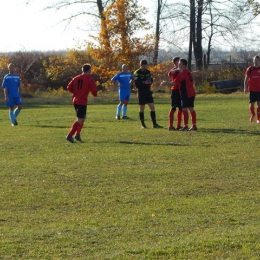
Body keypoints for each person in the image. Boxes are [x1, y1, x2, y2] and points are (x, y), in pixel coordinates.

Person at [161, 58, 197, 131]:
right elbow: (170, 73)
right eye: (178, 63)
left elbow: (175, 83)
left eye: (180, 64)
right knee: (190, 108)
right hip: (191, 92)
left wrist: (166, 83)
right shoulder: (187, 71)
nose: (178, 65)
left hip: (185, 93)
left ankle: (185, 126)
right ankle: (194, 125)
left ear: (184, 65)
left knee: (184, 108)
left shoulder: (181, 73)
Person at [66, 63, 98, 143]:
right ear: (89, 70)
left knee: (83, 117)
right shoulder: (89, 79)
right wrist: (95, 94)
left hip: (75, 100)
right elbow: (94, 90)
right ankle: (70, 135)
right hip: (82, 101)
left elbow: (68, 87)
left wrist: (76, 93)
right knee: (80, 119)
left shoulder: (76, 78)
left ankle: (77, 134)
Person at [133, 59, 162, 129]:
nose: (144, 67)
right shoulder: (137, 72)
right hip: (141, 92)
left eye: (146, 66)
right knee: (142, 108)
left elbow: (151, 80)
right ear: (140, 66)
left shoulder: (148, 72)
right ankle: (143, 124)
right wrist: (144, 82)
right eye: (143, 66)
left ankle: (155, 124)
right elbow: (137, 84)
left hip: (148, 91)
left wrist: (150, 82)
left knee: (152, 106)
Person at [167, 56, 183, 130]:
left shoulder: (181, 70)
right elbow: (170, 73)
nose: (180, 63)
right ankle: (170, 125)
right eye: (179, 61)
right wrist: (176, 70)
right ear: (176, 62)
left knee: (181, 108)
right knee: (173, 108)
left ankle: (178, 125)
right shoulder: (174, 70)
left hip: (181, 91)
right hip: (175, 91)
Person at [244, 55, 260, 123]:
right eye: (254, 60)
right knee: (251, 104)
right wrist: (245, 88)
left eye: (257, 60)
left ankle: (258, 118)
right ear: (253, 61)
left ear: (259, 61)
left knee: (259, 104)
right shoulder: (250, 69)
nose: (256, 61)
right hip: (252, 90)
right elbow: (246, 79)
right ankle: (252, 115)